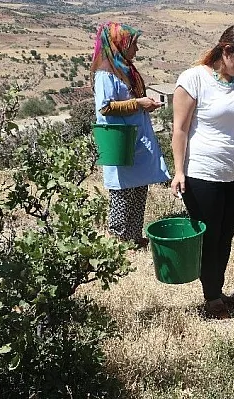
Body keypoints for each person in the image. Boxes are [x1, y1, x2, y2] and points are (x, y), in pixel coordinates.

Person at [171, 24, 234, 319]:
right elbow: (180, 130)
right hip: (203, 174)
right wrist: (178, 171)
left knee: (226, 235)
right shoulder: (193, 79)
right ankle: (212, 298)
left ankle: (216, 289)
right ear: (226, 51)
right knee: (210, 237)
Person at [91, 22, 170, 249]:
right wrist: (139, 103)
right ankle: (118, 242)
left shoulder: (123, 68)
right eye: (133, 45)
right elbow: (105, 107)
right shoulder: (106, 72)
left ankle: (134, 237)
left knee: (138, 187)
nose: (136, 50)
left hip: (134, 136)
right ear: (120, 45)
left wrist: (143, 105)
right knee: (122, 190)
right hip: (120, 139)